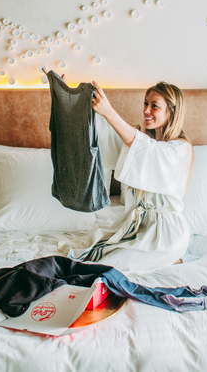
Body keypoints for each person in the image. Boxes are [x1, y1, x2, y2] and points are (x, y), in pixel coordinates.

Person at [60, 79, 194, 273]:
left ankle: (168, 257)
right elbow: (102, 135)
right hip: (139, 227)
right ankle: (159, 259)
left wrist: (109, 111)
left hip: (165, 236)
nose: (146, 110)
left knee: (105, 268)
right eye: (146, 104)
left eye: (154, 106)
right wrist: (71, 101)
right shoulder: (140, 140)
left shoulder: (180, 149)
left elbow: (147, 150)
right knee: (90, 248)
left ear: (171, 112)